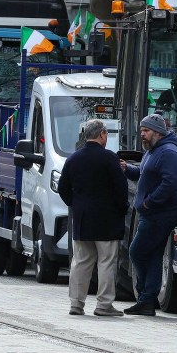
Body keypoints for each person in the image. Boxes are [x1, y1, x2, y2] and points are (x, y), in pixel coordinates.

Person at [58, 119, 128, 317]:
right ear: (102, 134)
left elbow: (63, 188)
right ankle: (104, 305)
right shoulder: (109, 159)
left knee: (81, 261)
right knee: (106, 262)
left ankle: (76, 304)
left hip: (82, 219)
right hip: (107, 220)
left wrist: (75, 204)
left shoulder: (73, 159)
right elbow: (121, 189)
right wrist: (121, 209)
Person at [120, 113, 177, 316]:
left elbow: (171, 183)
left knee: (137, 251)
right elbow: (142, 173)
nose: (142, 135)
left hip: (159, 214)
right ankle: (147, 300)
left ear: (158, 132)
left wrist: (149, 202)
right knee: (153, 254)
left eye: (145, 131)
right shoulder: (152, 151)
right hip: (152, 213)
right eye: (141, 131)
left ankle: (145, 296)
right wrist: (126, 168)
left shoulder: (168, 153)